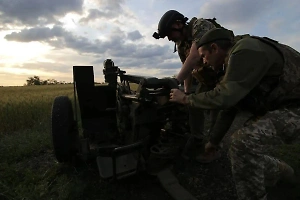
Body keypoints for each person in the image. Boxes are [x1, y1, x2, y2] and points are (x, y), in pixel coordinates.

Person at [169, 27, 300, 199]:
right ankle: (282, 172)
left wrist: (186, 99)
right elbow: (230, 108)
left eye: (203, 56)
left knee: (243, 142)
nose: (204, 62)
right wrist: (213, 143)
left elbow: (225, 98)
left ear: (214, 48)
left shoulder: (244, 50)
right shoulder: (233, 62)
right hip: (286, 105)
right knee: (244, 145)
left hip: (294, 106)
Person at [153, 10, 226, 160]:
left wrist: (176, 81)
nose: (169, 39)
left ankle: (214, 147)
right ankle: (197, 138)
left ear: (178, 24)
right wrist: (185, 92)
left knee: (216, 112)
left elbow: (194, 56)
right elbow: (187, 68)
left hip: (223, 74)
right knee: (193, 104)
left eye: (169, 34)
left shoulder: (200, 26)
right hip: (206, 78)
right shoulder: (181, 45)